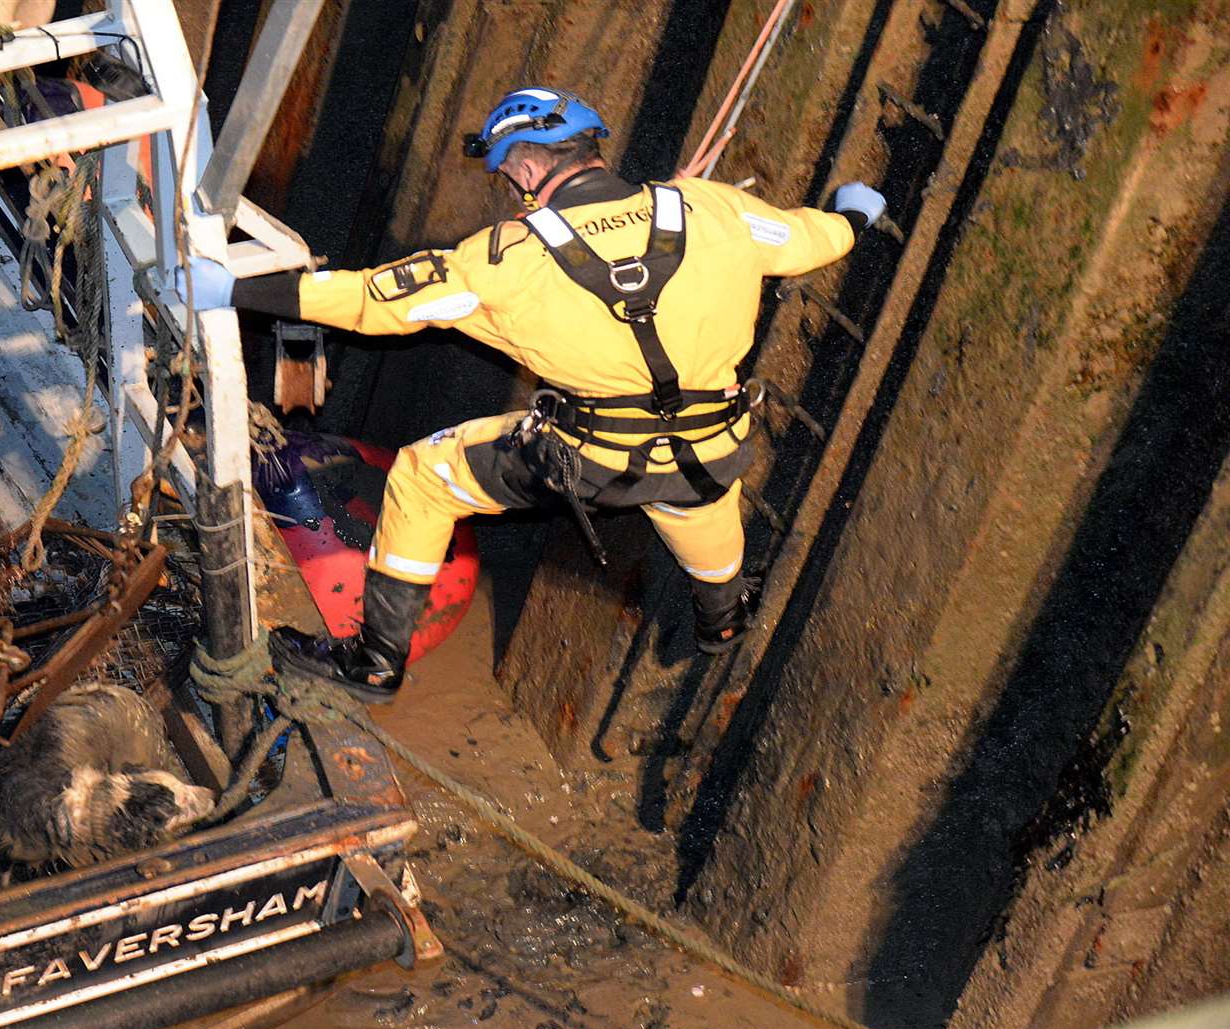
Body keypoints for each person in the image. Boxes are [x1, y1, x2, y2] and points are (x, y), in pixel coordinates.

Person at [180, 86, 885, 702]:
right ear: (589, 147)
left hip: (586, 459)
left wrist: (239, 287)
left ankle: (374, 662)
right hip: (709, 453)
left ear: (523, 166)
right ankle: (721, 619)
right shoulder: (710, 209)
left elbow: (370, 301)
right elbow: (807, 239)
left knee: (426, 477)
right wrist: (852, 217)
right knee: (702, 518)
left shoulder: (503, 258)